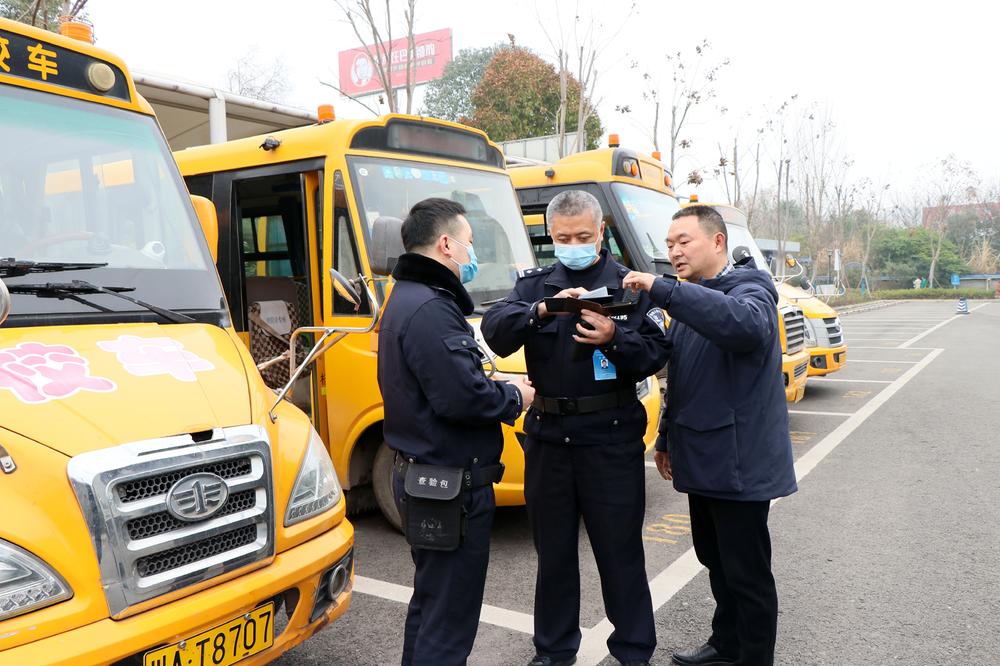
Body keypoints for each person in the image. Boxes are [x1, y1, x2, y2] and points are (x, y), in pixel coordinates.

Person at [483, 190, 669, 666]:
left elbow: (656, 352)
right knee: (554, 556)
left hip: (611, 438)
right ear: (551, 236)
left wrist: (615, 336)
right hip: (549, 439)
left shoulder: (630, 285)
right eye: (563, 237)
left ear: (600, 232)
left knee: (620, 552)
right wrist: (542, 310)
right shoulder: (535, 284)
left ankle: (633, 650)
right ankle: (553, 650)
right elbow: (496, 331)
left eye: (583, 236)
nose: (573, 244)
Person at [622, 205, 797, 666]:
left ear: (717, 242)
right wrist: (665, 439)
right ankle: (727, 643)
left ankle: (754, 657)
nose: (674, 251)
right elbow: (680, 377)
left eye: (684, 241)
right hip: (702, 456)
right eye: (669, 244)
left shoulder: (750, 289)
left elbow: (743, 327)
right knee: (715, 560)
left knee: (747, 573)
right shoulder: (691, 298)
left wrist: (663, 290)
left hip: (739, 462)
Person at [377, 198, 535, 665]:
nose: (471, 254)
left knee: (431, 605)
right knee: (449, 619)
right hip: (450, 487)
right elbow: (460, 399)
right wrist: (514, 397)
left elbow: (442, 382)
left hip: (426, 479)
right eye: (468, 243)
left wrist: (484, 381)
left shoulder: (406, 297)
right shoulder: (431, 308)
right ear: (445, 244)